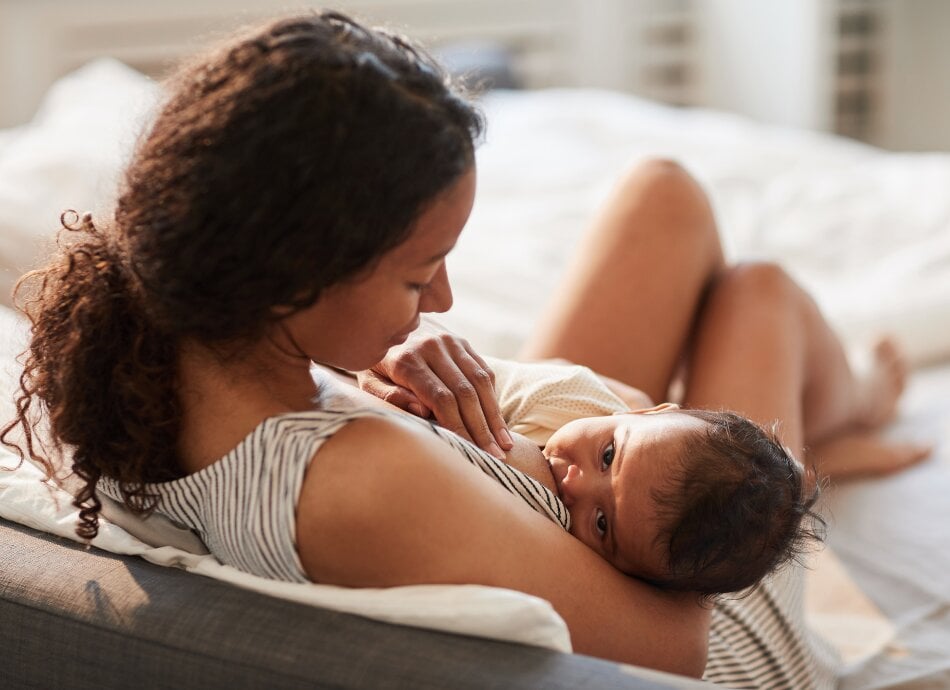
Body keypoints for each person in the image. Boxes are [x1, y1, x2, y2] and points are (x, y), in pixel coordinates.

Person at [0, 10, 928, 686]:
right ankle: (825, 432)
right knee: (758, 293)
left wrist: (376, 377)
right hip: (701, 598)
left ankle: (816, 427)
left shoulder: (153, 345)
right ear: (296, 272)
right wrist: (614, 447)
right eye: (417, 275)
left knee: (663, 196)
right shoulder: (361, 481)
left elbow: (458, 481)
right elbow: (676, 652)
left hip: (549, 491)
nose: (441, 299)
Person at [477, 355, 821, 596]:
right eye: (608, 456)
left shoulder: (617, 569)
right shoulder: (568, 394)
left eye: (601, 524)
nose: (572, 484)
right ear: (644, 411)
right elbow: (470, 378)